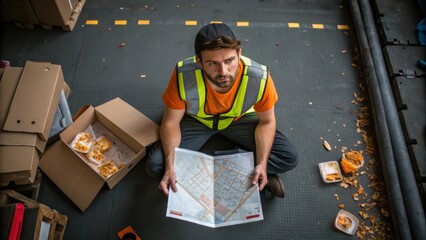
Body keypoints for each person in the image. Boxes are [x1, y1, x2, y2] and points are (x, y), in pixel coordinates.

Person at [145, 23, 298, 198]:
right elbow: (171, 122)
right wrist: (170, 167)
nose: (223, 71)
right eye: (212, 63)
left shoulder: (259, 78)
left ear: (239, 54)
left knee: (288, 157)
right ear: (199, 62)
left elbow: (267, 121)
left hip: (237, 120)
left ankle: (257, 168)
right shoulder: (183, 75)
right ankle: (248, 165)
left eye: (229, 61)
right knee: (156, 165)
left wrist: (262, 163)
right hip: (198, 121)